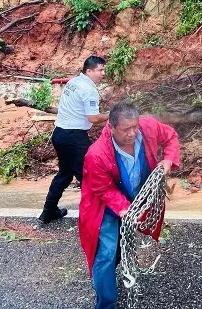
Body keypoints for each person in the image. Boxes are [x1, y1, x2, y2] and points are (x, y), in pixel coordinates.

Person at [79, 101, 180, 309]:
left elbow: (171, 136)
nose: (132, 133)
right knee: (105, 254)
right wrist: (125, 209)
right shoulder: (96, 154)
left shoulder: (148, 127)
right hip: (104, 205)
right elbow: (105, 190)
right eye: (126, 129)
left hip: (133, 200)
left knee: (117, 250)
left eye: (135, 127)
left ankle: (105, 279)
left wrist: (168, 161)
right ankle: (106, 303)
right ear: (111, 127)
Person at [38, 55, 108, 223]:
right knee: (89, 176)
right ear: (89, 71)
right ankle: (94, 216)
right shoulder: (89, 90)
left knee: (65, 174)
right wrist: (112, 115)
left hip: (59, 134)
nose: (103, 73)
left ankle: (48, 211)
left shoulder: (73, 82)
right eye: (100, 70)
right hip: (74, 138)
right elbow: (93, 118)